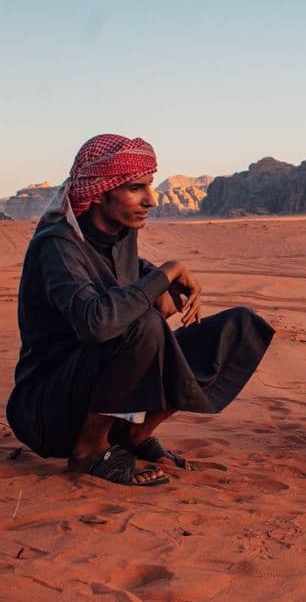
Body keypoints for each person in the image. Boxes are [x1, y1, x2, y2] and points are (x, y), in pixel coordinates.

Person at [6, 134, 275, 486]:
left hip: (101, 389)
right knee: (141, 323)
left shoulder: (121, 235)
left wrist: (157, 280)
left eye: (149, 186)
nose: (151, 199)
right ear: (100, 191)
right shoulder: (58, 244)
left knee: (240, 327)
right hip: (48, 408)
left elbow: (126, 271)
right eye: (136, 188)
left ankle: (134, 435)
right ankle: (89, 450)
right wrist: (166, 274)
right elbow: (97, 323)